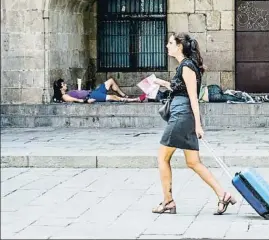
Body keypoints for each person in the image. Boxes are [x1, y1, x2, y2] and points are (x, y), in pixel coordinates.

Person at [151, 32, 236, 215]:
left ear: (179, 46)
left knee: (162, 158)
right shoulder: (184, 66)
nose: (167, 45)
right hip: (183, 116)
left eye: (170, 42)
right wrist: (162, 83)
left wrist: (198, 125)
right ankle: (223, 195)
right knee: (193, 162)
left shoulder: (187, 66)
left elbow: (193, 97)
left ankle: (168, 201)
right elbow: (179, 88)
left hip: (181, 117)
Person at [52, 78, 143, 103]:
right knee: (113, 97)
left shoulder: (68, 92)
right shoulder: (64, 96)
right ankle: (135, 100)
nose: (66, 85)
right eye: (64, 84)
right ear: (60, 88)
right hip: (91, 96)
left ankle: (124, 95)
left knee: (110, 81)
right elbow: (77, 100)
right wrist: (87, 101)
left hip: (93, 92)